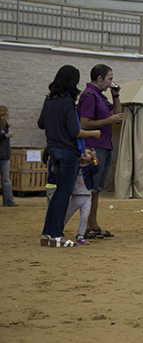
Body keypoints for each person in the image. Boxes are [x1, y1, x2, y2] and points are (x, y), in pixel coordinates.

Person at [38, 65, 101, 248]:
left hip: (53, 150)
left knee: (58, 194)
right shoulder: (66, 102)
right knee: (64, 194)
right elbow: (74, 131)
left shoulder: (49, 99)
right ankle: (57, 235)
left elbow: (41, 123)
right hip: (67, 152)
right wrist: (93, 133)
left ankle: (47, 234)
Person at [78, 64, 123, 239]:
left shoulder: (100, 97)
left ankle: (93, 225)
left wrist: (116, 96)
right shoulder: (90, 96)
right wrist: (108, 120)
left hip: (103, 146)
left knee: (96, 189)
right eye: (110, 79)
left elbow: (117, 116)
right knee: (90, 189)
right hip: (93, 148)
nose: (112, 82)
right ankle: (89, 226)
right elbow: (84, 124)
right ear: (99, 78)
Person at [63, 148, 98, 246]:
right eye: (84, 152)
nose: (85, 153)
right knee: (66, 215)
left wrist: (95, 157)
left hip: (87, 197)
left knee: (84, 217)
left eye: (89, 153)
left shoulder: (91, 168)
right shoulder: (75, 166)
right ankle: (58, 231)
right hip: (75, 197)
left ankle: (80, 236)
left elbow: (97, 168)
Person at [1, 105, 18, 207]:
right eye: (7, 112)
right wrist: (4, 136)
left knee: (6, 179)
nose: (8, 114)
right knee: (6, 179)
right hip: (3, 155)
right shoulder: (3, 128)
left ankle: (8, 201)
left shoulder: (6, 126)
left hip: (5, 156)